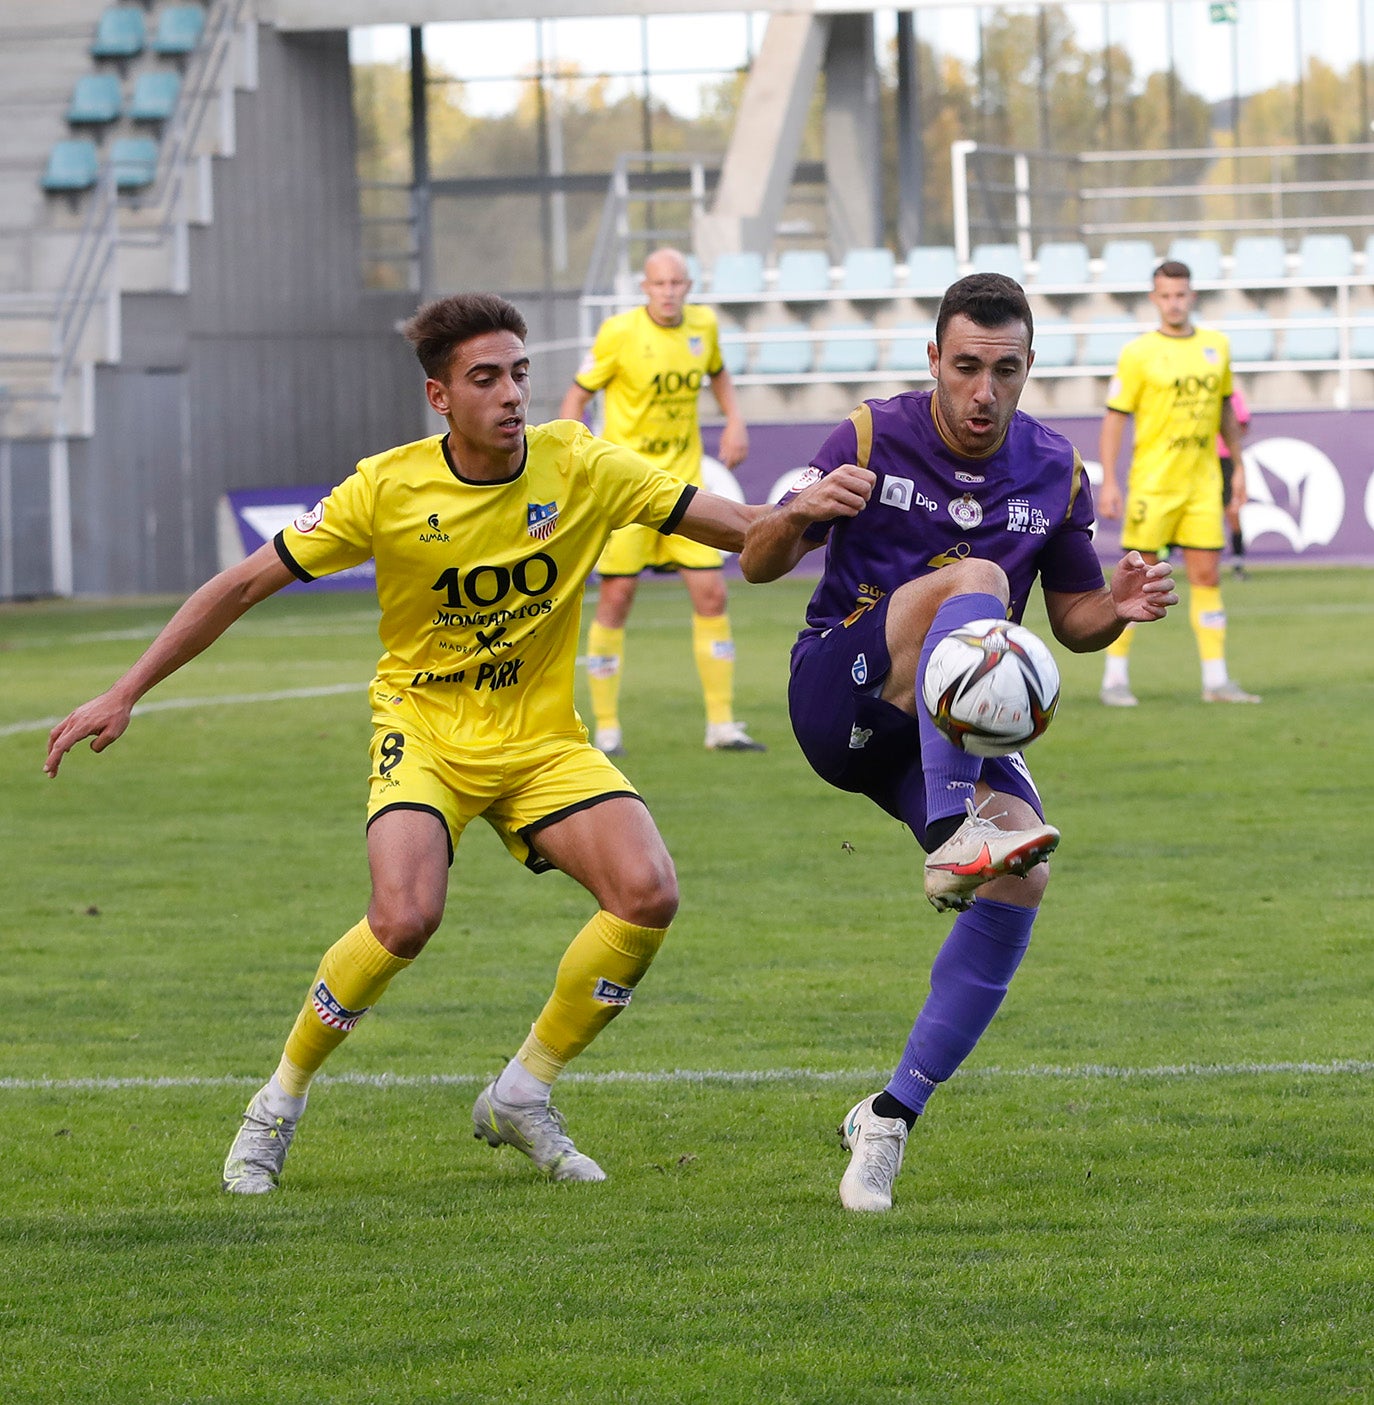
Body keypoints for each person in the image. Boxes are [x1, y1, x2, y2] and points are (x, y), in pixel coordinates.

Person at [44, 292, 763, 1194]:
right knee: (405, 916)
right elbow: (239, 586)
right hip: (423, 733)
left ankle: (522, 1093)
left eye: (519, 373)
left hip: (540, 741)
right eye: (485, 378)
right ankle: (277, 1103)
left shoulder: (579, 463)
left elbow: (739, 529)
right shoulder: (386, 487)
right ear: (440, 396)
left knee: (648, 892)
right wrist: (126, 689)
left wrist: (815, 508)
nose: (511, 394)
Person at [739, 273, 1178, 1212]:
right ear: (934, 359)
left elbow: (1074, 622)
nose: (985, 391)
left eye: (1006, 370)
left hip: (945, 729)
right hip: (840, 693)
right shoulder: (867, 436)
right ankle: (950, 831)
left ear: (1029, 370)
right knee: (971, 572)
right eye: (967, 366)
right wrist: (804, 508)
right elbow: (758, 561)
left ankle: (889, 1115)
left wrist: (1121, 609)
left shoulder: (1055, 470)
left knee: (1024, 872)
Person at [559, 247, 763, 756]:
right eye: (659, 283)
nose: (669, 292)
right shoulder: (619, 334)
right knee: (616, 600)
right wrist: (571, 448)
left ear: (688, 286)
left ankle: (722, 726)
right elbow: (578, 396)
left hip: (683, 488)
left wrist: (733, 418)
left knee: (712, 595)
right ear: (645, 288)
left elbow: (717, 372)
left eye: (677, 283)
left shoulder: (703, 327)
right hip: (628, 491)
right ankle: (605, 730)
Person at [1095, 260, 1259, 705]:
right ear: (1154, 298)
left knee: (1207, 576)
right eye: (1166, 295)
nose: (1174, 302)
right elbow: (1115, 420)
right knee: (1140, 580)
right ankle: (1114, 679)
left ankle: (1216, 680)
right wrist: (1110, 480)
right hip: (1153, 485)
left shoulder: (1216, 346)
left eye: (1181, 294)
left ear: (1193, 295)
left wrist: (1238, 466)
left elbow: (1226, 409)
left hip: (1202, 484)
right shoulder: (1138, 353)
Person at [1219, 381, 1251, 578]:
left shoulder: (1231, 396)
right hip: (1196, 460)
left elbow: (1243, 425)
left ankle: (1238, 564)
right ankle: (1163, 560)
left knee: (1232, 511)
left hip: (1224, 458)